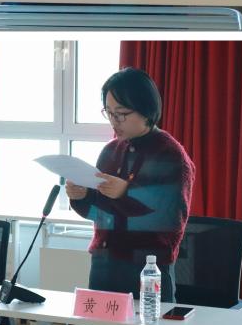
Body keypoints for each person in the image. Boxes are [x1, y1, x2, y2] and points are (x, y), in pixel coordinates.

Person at [66, 67, 194, 301]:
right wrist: (82, 197)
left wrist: (126, 191)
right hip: (103, 265)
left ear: (146, 110)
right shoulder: (110, 151)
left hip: (147, 270)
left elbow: (170, 219)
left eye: (122, 114)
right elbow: (100, 215)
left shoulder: (170, 154)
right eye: (109, 113)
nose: (114, 121)